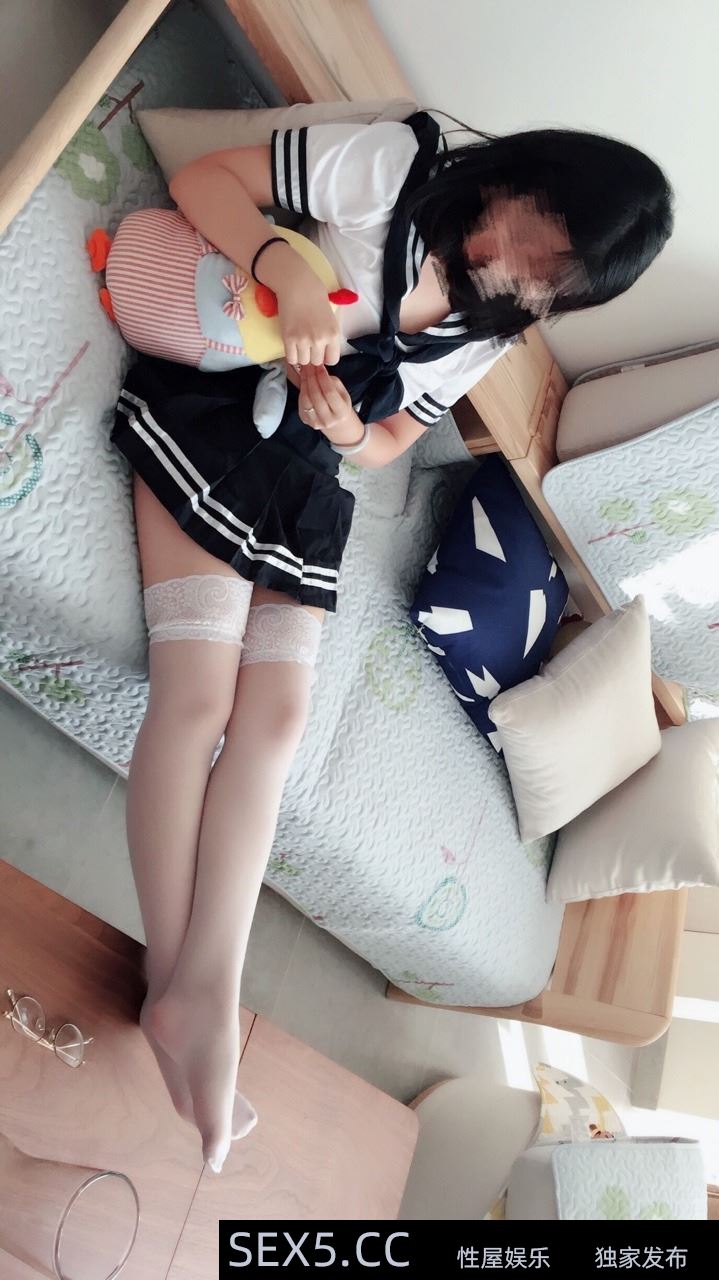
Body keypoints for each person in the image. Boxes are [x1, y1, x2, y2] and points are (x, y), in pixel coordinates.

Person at [110, 111, 674, 1174]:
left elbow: (388, 444)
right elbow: (203, 177)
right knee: (198, 697)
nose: (514, 268)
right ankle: (189, 995)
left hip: (303, 471)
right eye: (530, 235)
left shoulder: (491, 327)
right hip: (214, 403)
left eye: (549, 279)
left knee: (276, 723)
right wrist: (282, 267)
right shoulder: (396, 167)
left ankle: (196, 993)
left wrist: (345, 432)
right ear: (522, 175)